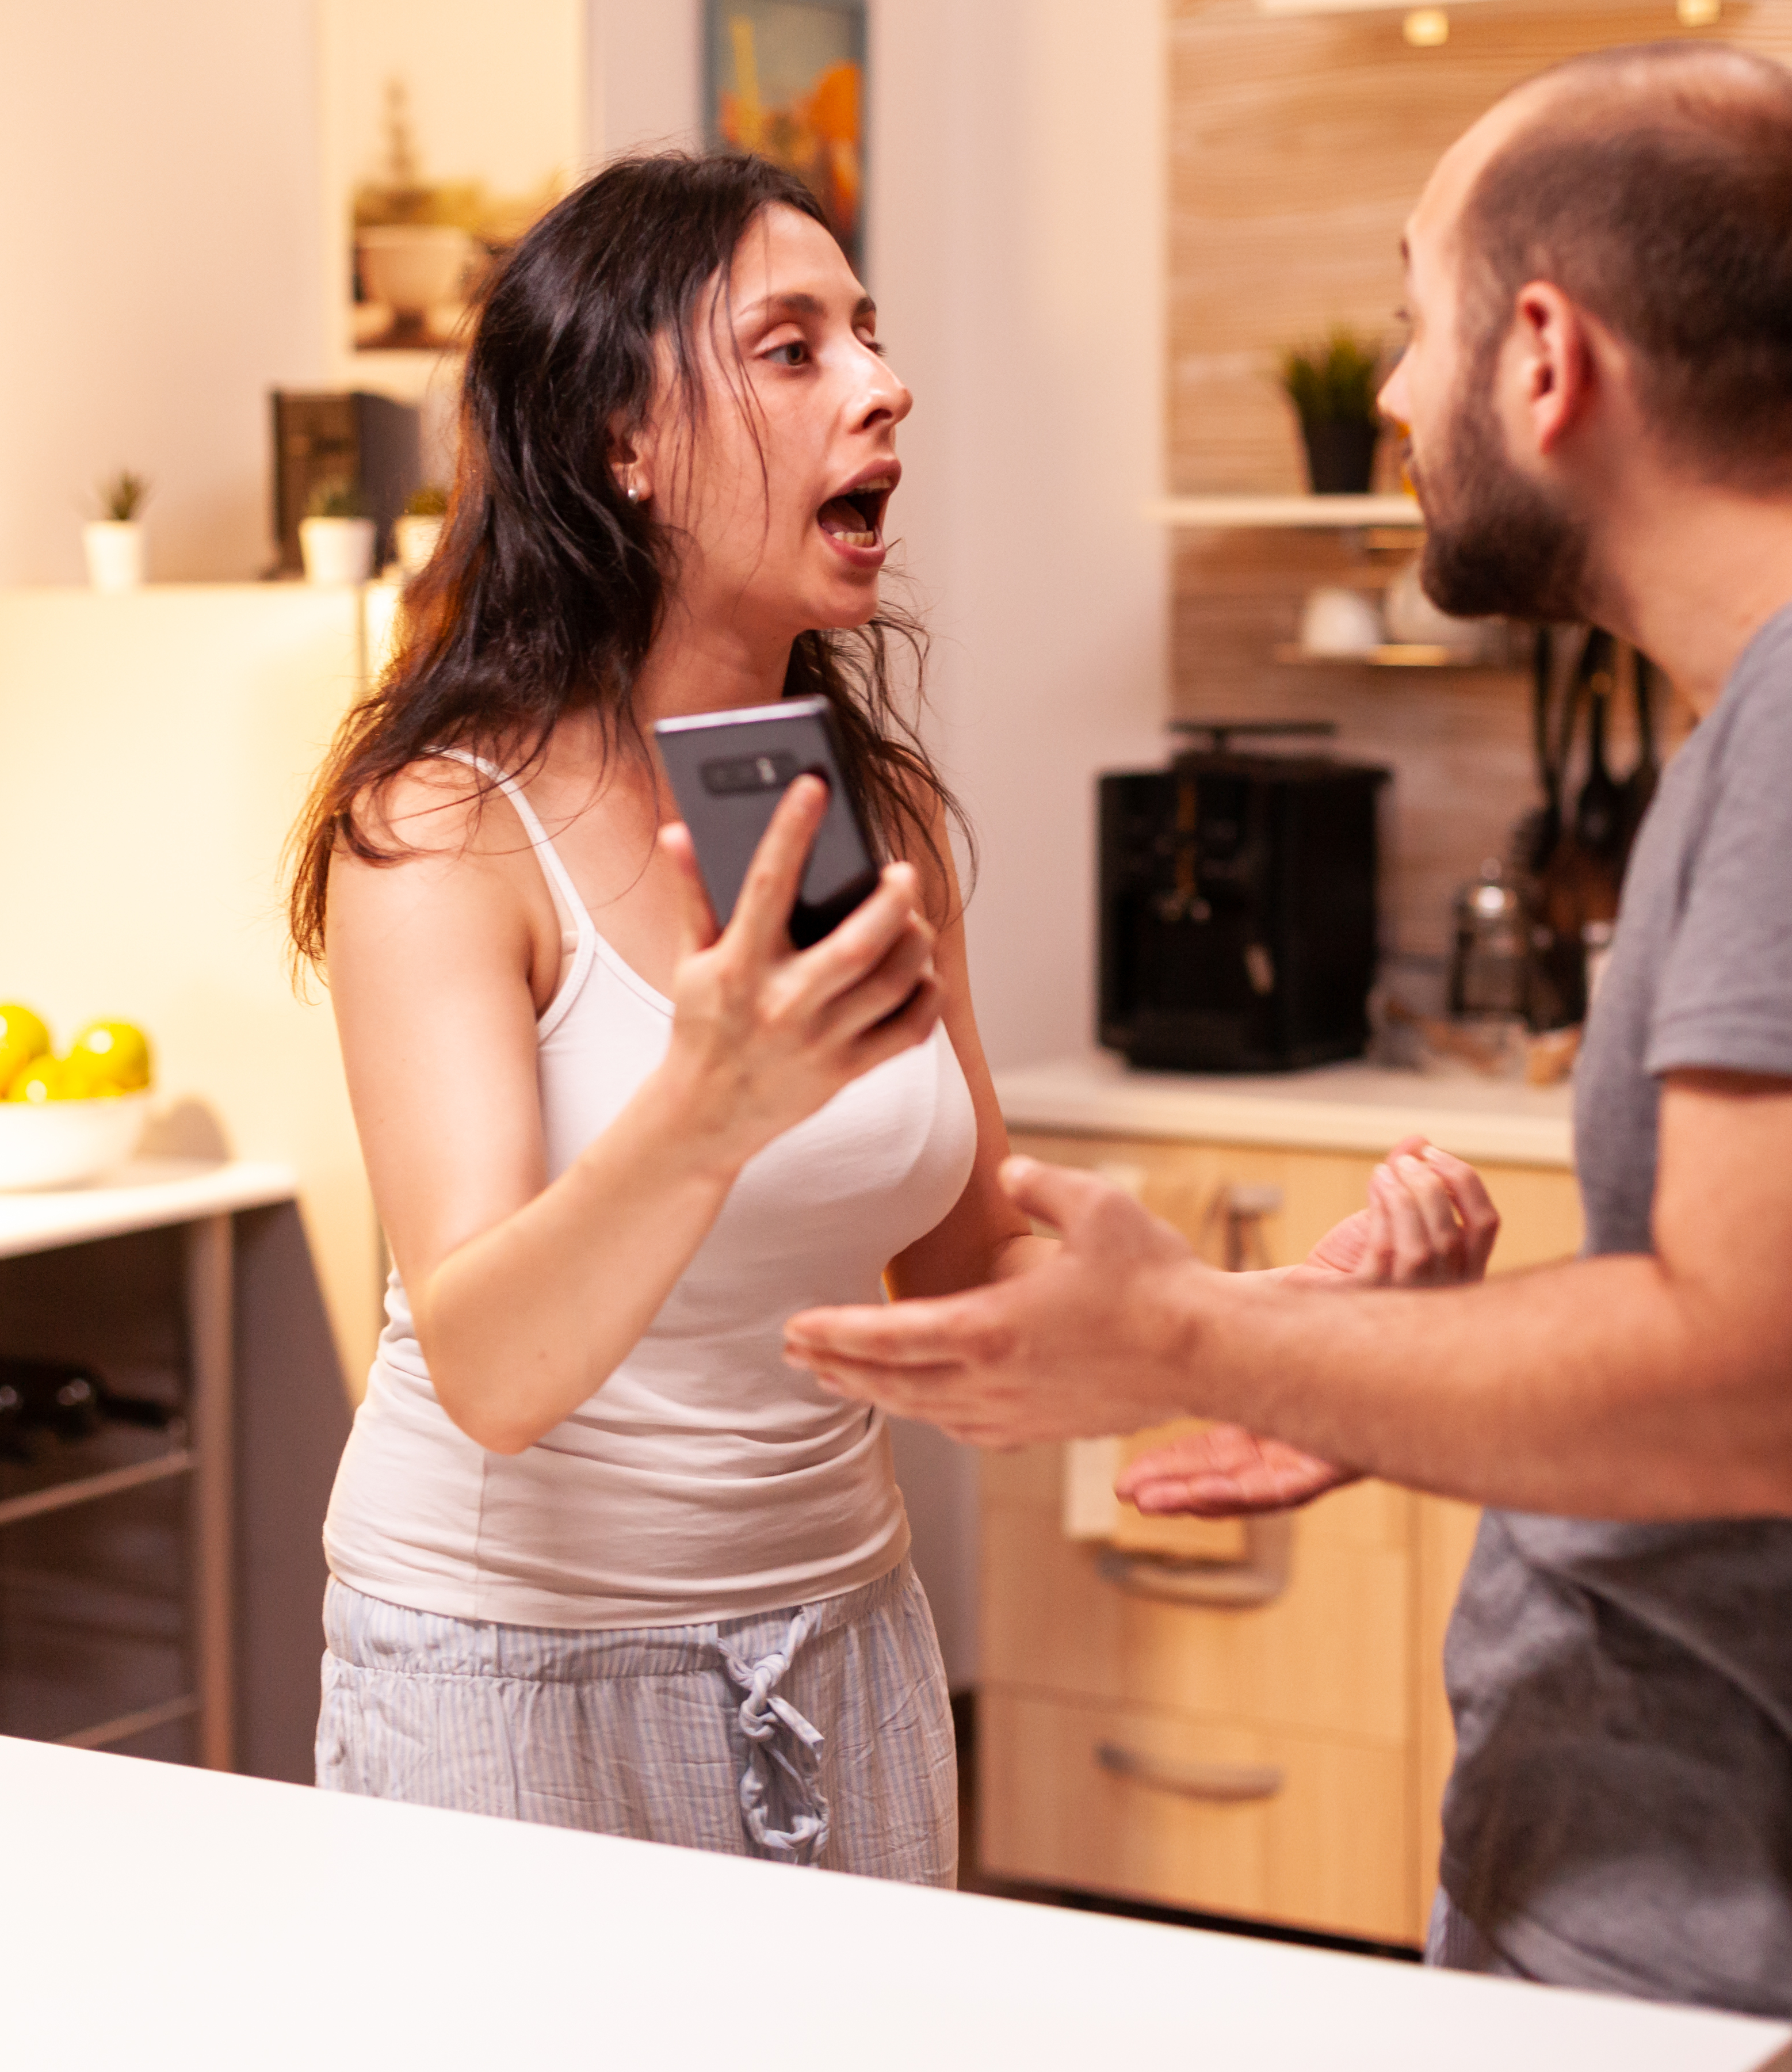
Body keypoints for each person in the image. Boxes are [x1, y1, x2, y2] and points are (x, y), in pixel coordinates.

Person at [782, 45, 1792, 2072]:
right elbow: (1790, 1343)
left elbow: (1775, 1389)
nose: (1392, 396)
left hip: (1789, 1974)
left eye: (1416, 324)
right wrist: (1387, 1376)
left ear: (1547, 358)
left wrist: (1204, 1341)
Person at [285, 151, 1467, 1882]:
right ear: (625, 443)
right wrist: (709, 1101)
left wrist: (1296, 1319)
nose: (883, 382)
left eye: (870, 336)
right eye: (793, 348)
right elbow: (492, 1371)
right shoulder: (452, 830)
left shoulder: (869, 808)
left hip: (842, 1644)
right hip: (508, 1677)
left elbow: (970, 1282)